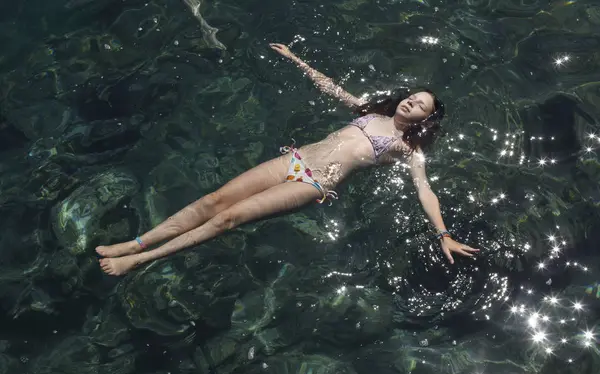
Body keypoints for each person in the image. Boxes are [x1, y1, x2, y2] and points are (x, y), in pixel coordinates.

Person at [97, 43, 479, 275]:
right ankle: (136, 242)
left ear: (425, 120)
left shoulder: (408, 149)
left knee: (228, 218)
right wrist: (296, 60)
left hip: (313, 183)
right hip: (293, 159)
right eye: (412, 95)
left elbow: (424, 189)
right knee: (213, 201)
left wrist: (442, 233)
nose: (411, 100)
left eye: (420, 105)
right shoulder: (370, 112)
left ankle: (140, 261)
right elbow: (332, 88)